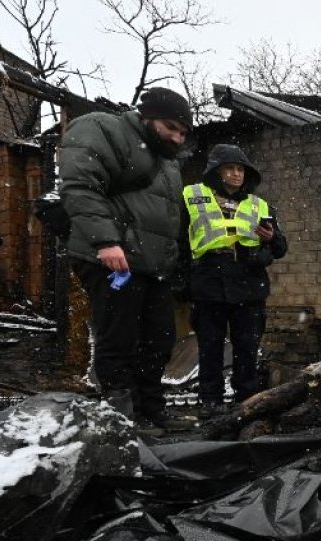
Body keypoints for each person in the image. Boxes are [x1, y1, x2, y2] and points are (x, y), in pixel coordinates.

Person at [60, 87, 193, 436]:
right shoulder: (105, 129)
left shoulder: (167, 161)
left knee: (159, 340)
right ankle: (120, 419)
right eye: (171, 127)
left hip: (152, 266)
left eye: (183, 132)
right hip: (113, 259)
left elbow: (169, 218)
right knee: (120, 338)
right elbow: (80, 185)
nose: (177, 137)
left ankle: (152, 410)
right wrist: (106, 240)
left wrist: (174, 263)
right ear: (147, 117)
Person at [182, 144, 288, 418]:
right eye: (230, 168)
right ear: (216, 171)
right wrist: (181, 282)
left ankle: (247, 399)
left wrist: (271, 239)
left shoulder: (260, 205)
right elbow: (179, 241)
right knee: (210, 346)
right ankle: (211, 401)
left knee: (247, 347)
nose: (236, 174)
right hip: (209, 279)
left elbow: (280, 248)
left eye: (240, 169)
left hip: (248, 282)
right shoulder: (193, 197)